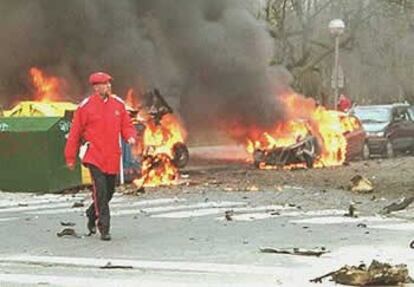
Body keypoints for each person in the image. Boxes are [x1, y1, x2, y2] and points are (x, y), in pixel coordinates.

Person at [65, 72, 137, 241]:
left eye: (108, 84)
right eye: (104, 84)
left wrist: (130, 136)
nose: (107, 87)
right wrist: (70, 157)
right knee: (101, 190)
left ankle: (91, 212)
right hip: (94, 155)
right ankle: (104, 227)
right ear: (96, 87)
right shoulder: (85, 107)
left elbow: (126, 125)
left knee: (110, 191)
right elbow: (74, 134)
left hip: (112, 155)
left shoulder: (118, 104)